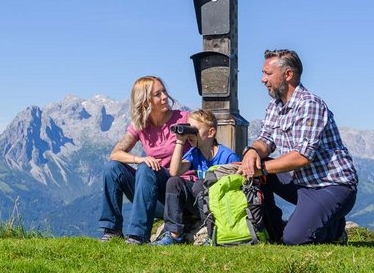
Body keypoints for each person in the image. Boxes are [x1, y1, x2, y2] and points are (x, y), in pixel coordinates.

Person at [237, 49, 358, 245]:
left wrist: (262, 169)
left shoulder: (310, 105)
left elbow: (302, 157)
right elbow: (266, 139)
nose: (262, 79)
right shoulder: (274, 106)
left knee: (295, 238)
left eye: (268, 73)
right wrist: (252, 152)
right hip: (301, 182)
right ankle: (273, 233)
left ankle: (335, 230)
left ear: (288, 75)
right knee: (257, 167)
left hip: (330, 186)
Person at [99, 76, 191, 245]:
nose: (164, 97)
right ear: (145, 101)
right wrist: (139, 158)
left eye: (164, 91)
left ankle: (138, 236)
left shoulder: (184, 119)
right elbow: (115, 154)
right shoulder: (141, 124)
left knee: (146, 168)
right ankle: (112, 230)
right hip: (150, 196)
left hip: (176, 196)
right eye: (157, 94)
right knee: (112, 168)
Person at [152, 109, 239, 245]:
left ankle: (212, 234)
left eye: (194, 130)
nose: (190, 134)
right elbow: (174, 172)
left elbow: (237, 189)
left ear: (211, 132)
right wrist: (180, 142)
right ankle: (174, 234)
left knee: (200, 184)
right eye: (188, 129)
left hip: (222, 205)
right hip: (200, 205)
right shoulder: (194, 153)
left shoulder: (227, 156)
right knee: (174, 182)